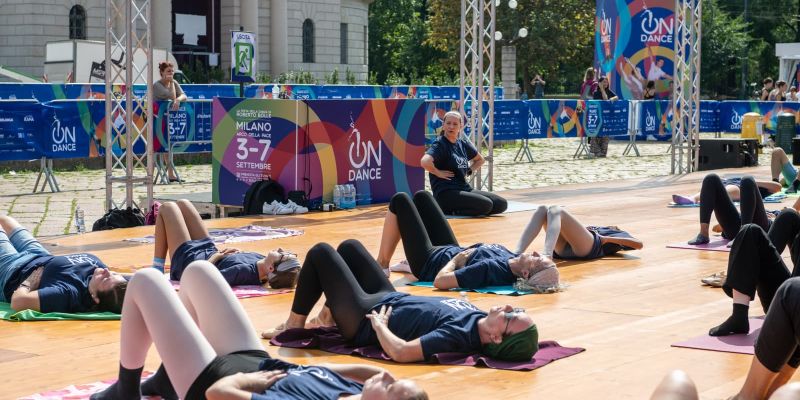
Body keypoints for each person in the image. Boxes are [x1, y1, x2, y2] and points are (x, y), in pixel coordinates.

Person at [90, 261, 428, 400]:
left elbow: (219, 393)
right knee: (198, 271)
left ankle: (126, 391)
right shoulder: (355, 392)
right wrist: (375, 376)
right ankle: (166, 379)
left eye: (391, 387)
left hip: (210, 381)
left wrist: (252, 382)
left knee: (146, 281)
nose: (387, 376)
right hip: (255, 360)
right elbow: (365, 373)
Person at [263, 240, 540, 364]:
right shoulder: (479, 317)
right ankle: (326, 318)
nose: (508, 307)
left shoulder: (458, 336)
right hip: (388, 297)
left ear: (495, 338)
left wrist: (380, 327)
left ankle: (293, 325)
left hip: (364, 319)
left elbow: (403, 352)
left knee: (321, 252)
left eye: (510, 317)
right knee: (349, 247)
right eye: (515, 308)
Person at [375, 191, 559, 290]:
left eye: (537, 259)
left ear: (525, 273)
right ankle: (406, 262)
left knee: (399, 200)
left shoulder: (489, 269)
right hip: (450, 249)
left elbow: (440, 281)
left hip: (429, 262)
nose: (536, 252)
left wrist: (456, 260)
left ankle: (382, 264)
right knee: (423, 197)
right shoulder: (514, 258)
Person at [153, 199, 300, 288]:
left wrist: (217, 256)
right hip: (207, 251)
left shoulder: (243, 272)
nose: (280, 249)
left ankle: (157, 269)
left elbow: (204, 278)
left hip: (189, 262)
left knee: (167, 207)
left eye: (282, 255)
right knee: (183, 204)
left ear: (271, 267)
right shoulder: (262, 261)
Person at [0, 215, 127, 313]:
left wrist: (28, 283)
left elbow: (18, 303)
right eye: (114, 274)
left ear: (95, 298)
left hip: (12, 270)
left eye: (105, 279)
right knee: (5, 220)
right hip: (40, 255)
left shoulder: (68, 293)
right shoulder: (116, 285)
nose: (107, 271)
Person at [421, 111, 507, 216]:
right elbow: (425, 161)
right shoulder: (440, 144)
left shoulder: (462, 143)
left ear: (460, 126)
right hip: (446, 193)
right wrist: (437, 172)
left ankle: (473, 209)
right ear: (443, 125)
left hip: (463, 188)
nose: (451, 126)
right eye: (448, 123)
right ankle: (449, 211)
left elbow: (480, 160)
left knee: (501, 204)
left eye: (455, 124)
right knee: (486, 205)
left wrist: (469, 170)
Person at [675, 174, 784, 245]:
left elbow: (777, 187)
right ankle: (703, 233)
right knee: (710, 178)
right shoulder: (730, 183)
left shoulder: (779, 213)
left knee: (747, 180)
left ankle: (743, 235)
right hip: (737, 225)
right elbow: (716, 228)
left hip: (759, 227)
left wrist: (775, 218)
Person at [515, 205, 643, 261]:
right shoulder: (598, 227)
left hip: (591, 247)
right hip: (564, 250)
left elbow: (639, 244)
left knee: (556, 209)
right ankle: (516, 253)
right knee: (542, 209)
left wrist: (606, 239)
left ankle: (547, 255)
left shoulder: (617, 233)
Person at [152, 61, 188, 183]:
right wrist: (172, 83)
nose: (171, 73)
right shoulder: (157, 85)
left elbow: (184, 95)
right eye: (168, 71)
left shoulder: (174, 82)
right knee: (155, 148)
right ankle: (150, 175)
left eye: (172, 71)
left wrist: (178, 100)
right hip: (157, 120)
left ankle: (171, 175)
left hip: (167, 119)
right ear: (162, 72)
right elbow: (170, 95)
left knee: (168, 147)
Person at [591, 76, 618, 157]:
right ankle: (596, 151)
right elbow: (605, 100)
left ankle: (603, 152)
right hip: (597, 117)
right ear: (599, 83)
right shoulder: (596, 93)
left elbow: (617, 97)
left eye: (607, 82)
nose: (606, 83)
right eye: (604, 82)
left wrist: (612, 99)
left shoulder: (609, 91)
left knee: (605, 135)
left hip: (606, 117)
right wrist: (602, 89)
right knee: (596, 135)